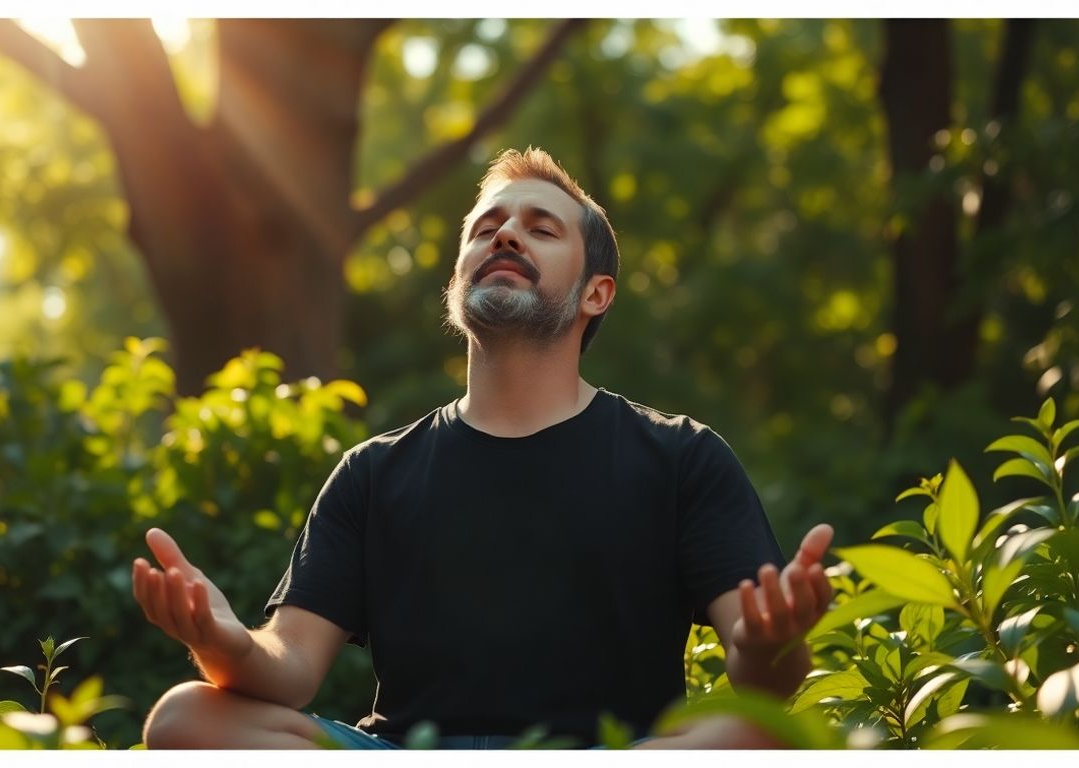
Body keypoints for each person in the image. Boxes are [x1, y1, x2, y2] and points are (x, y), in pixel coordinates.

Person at [132, 148, 835, 750]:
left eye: (541, 229)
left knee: (762, 734)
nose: (506, 237)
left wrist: (769, 644)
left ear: (596, 293)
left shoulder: (681, 458)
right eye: (486, 229)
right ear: (456, 283)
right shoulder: (373, 473)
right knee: (184, 718)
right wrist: (222, 641)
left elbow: (766, 682)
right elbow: (289, 666)